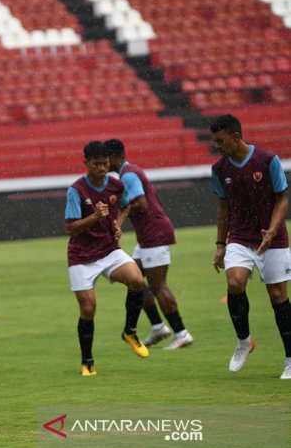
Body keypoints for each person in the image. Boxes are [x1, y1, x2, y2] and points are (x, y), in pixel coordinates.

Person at [210, 114, 291, 378]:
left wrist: (272, 230)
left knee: (278, 297)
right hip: (240, 238)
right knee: (234, 283)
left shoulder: (267, 161)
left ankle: (290, 358)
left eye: (221, 141)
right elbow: (223, 207)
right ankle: (244, 341)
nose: (217, 147)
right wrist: (221, 245)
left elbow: (282, 200)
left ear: (236, 137)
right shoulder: (219, 169)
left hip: (273, 239)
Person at [65, 141, 150, 377]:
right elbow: (70, 228)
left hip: (109, 249)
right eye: (96, 165)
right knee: (88, 309)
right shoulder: (76, 190)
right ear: (86, 164)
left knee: (136, 280)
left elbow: (125, 207)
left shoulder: (116, 185)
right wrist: (94, 217)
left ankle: (130, 331)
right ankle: (87, 361)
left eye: (104, 164)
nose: (102, 169)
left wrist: (117, 224)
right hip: (81, 257)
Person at [105, 139, 194, 350]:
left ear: (114, 157)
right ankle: (157, 326)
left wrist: (119, 209)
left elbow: (141, 203)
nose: (103, 162)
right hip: (147, 237)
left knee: (158, 285)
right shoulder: (129, 173)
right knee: (134, 280)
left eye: (105, 158)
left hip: (155, 234)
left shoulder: (129, 175)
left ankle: (182, 333)